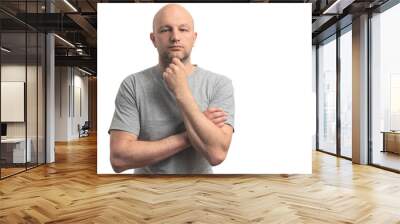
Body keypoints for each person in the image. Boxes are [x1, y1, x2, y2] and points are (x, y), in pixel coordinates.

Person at [108, 4, 235, 174]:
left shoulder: (219, 84)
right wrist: (191, 135)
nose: (175, 37)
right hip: (147, 195)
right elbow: (119, 158)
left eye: (183, 29)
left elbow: (216, 153)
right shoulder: (132, 84)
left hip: (200, 194)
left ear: (194, 37)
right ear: (153, 39)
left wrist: (182, 92)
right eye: (166, 30)